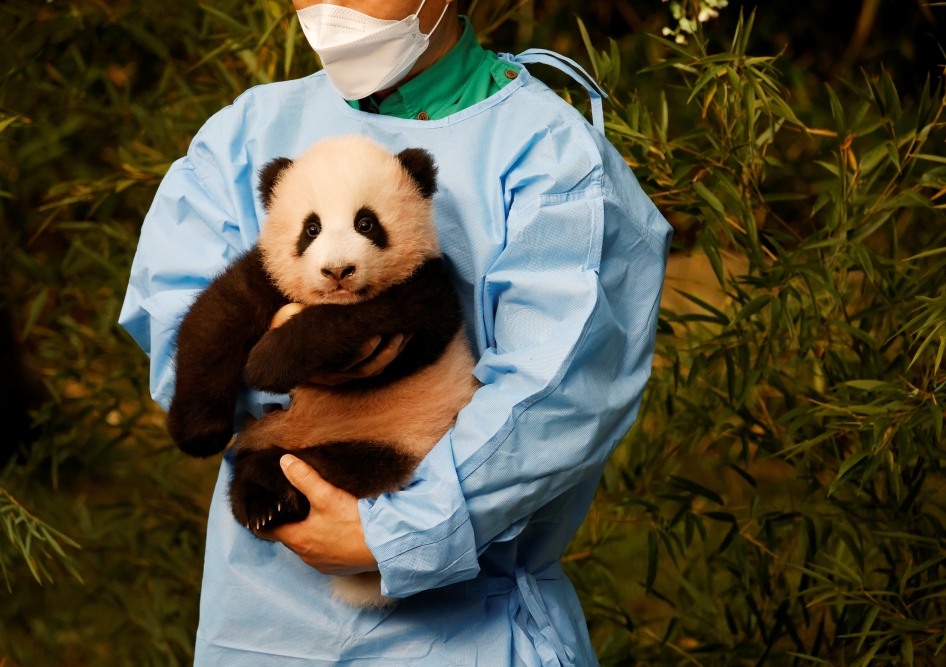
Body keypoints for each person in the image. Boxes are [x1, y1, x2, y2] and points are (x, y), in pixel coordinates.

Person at [118, 0, 672, 664]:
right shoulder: (245, 133)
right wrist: (298, 354)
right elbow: (181, 327)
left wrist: (395, 531)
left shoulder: (550, 161)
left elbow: (557, 396)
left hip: (462, 635)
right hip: (258, 627)